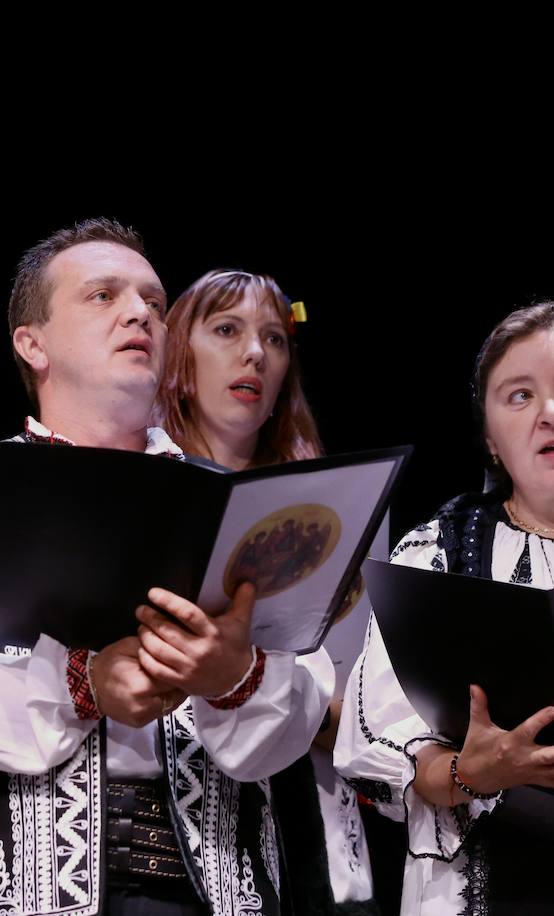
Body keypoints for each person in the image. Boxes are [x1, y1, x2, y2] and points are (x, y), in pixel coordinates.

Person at [0, 219, 334, 916]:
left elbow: (306, 689)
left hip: (210, 884)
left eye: (152, 301)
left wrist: (235, 677)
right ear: (33, 344)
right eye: (103, 296)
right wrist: (82, 684)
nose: (139, 313)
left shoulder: (235, 501)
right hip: (16, 877)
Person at [335, 301, 554, 914]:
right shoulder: (436, 554)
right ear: (491, 439)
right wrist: (471, 772)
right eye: (519, 396)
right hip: (492, 874)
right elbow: (375, 741)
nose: (553, 412)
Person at [155, 269, 377, 915]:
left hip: (291, 823)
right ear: (178, 359)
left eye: (275, 339)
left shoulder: (323, 510)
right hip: (154, 829)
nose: (255, 352)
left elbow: (345, 690)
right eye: (227, 330)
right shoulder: (141, 481)